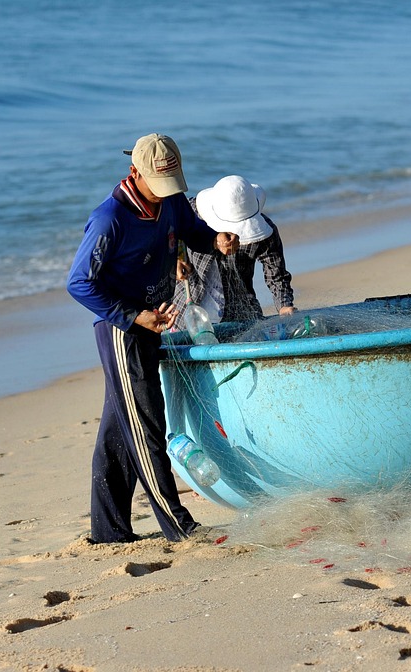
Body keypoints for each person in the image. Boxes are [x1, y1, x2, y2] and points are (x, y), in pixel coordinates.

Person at [66, 133, 239, 543]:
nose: (165, 197)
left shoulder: (172, 201)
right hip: (122, 331)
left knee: (118, 430)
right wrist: (134, 315)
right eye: (158, 188)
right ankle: (180, 527)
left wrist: (214, 240)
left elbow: (192, 231)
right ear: (135, 173)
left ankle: (108, 532)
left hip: (155, 322)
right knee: (147, 430)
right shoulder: (110, 220)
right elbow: (79, 284)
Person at [174, 175, 296, 325]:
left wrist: (284, 305)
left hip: (240, 311)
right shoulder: (190, 213)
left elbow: (277, 275)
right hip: (189, 305)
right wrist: (176, 258)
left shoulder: (264, 233)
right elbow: (162, 229)